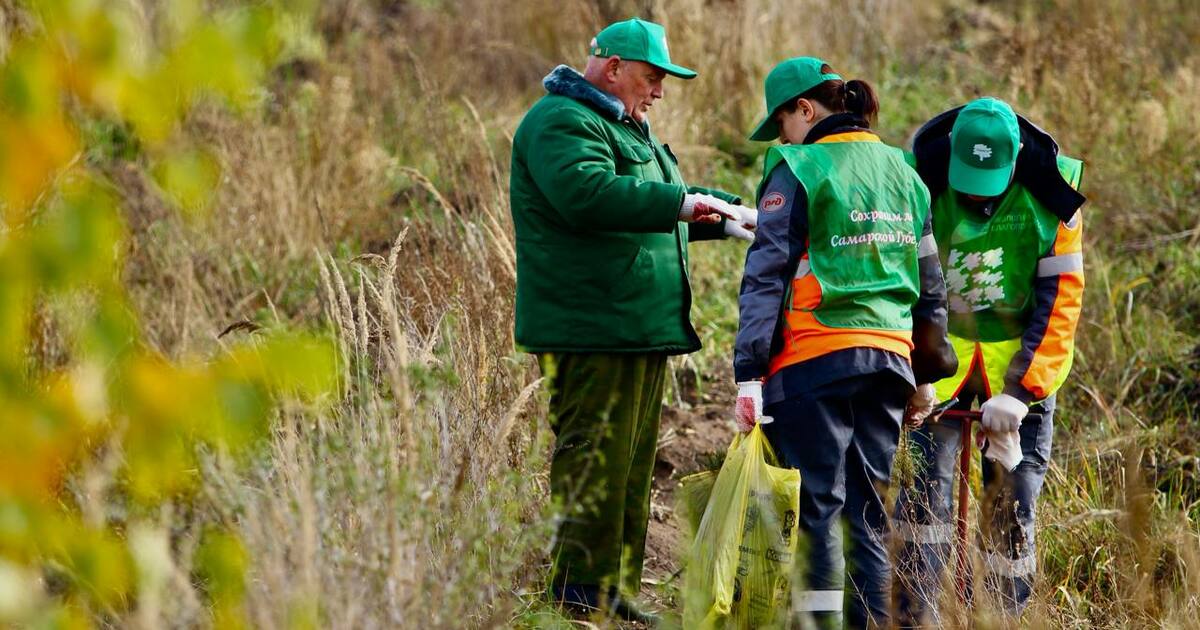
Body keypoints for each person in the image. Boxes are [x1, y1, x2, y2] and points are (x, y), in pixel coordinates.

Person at [508, 17, 756, 622]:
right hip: (593, 327)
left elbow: (651, 205)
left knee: (631, 463)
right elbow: (589, 195)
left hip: (635, 328)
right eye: (652, 77)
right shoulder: (562, 121)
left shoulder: (623, 125)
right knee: (595, 456)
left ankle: (613, 586)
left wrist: (725, 215)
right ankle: (576, 591)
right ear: (614, 67)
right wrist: (684, 204)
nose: (660, 91)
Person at [732, 56, 957, 629]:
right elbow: (930, 284)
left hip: (813, 358)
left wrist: (748, 373)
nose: (781, 137)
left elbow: (767, 274)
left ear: (805, 109)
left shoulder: (799, 166)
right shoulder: (903, 171)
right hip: (889, 363)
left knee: (817, 511)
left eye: (781, 122)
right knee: (868, 516)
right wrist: (925, 376)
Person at [892, 97, 1086, 625]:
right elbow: (905, 287)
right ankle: (914, 618)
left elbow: (1060, 301)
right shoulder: (916, 180)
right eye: (967, 181)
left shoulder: (1054, 193)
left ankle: (1001, 619)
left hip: (1019, 363)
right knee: (922, 500)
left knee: (1012, 505)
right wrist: (918, 372)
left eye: (989, 183)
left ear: (1016, 159)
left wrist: (1021, 393)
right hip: (938, 358)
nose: (976, 193)